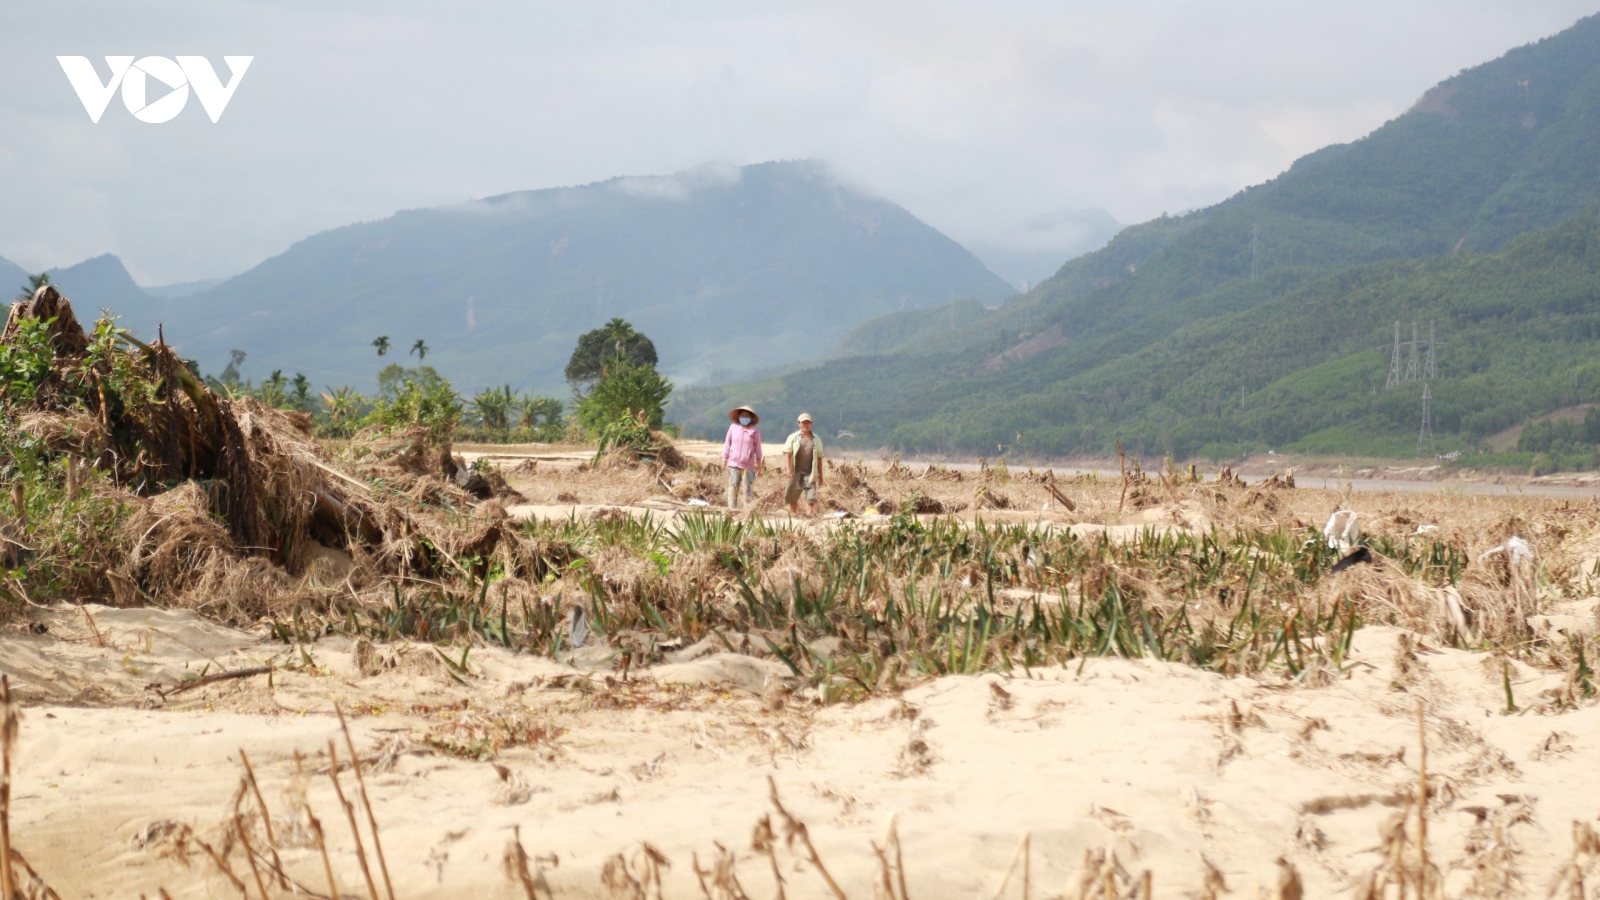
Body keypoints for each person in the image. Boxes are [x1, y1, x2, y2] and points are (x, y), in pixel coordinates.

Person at [721, 405, 763, 509]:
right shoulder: (733, 427)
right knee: (733, 488)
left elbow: (758, 448)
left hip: (748, 466)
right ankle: (731, 510)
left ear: (751, 418)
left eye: (747, 416)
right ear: (739, 416)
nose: (745, 417)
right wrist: (724, 459)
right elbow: (727, 443)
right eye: (743, 415)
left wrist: (759, 463)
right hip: (733, 464)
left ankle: (747, 511)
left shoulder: (754, 430)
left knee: (747, 490)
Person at [783, 413, 824, 516]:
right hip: (795, 471)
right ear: (799, 424)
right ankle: (793, 514)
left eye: (808, 422)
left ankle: (809, 515)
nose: (806, 424)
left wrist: (820, 475)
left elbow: (819, 458)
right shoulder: (793, 438)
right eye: (803, 422)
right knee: (792, 495)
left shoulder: (816, 439)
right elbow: (788, 453)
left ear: (811, 424)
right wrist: (788, 470)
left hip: (810, 472)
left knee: (811, 496)